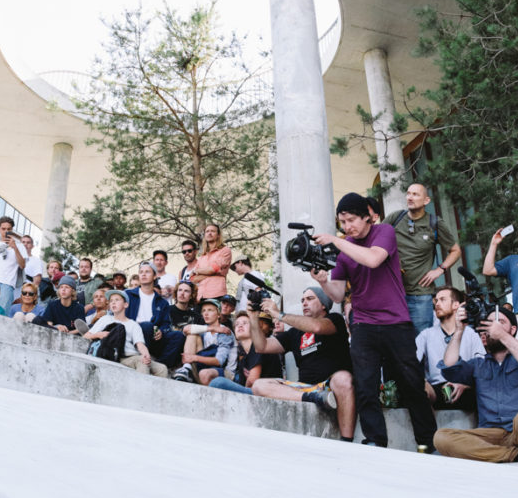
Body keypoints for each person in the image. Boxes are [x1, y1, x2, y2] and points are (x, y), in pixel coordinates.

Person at [314, 192, 437, 449]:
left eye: (351, 220)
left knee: (412, 384)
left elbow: (373, 259)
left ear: (367, 217)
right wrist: (323, 281)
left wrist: (337, 242)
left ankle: (428, 443)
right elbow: (337, 294)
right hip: (363, 325)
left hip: (396, 322)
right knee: (365, 386)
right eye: (342, 223)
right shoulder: (344, 248)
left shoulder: (384, 232)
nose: (347, 227)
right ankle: (375, 442)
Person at [432, 305, 518, 469]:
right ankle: (513, 455)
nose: (494, 327)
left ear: (513, 329)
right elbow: (449, 368)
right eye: (489, 323)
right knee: (442, 437)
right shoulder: (478, 365)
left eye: (500, 322)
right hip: (491, 435)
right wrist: (459, 331)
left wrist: (502, 335)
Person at [249, 286, 356, 441]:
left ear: (324, 305)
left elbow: (317, 326)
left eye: (310, 299)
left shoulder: (335, 319)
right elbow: (262, 346)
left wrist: (279, 314)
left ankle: (347, 441)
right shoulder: (294, 333)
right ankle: (313, 398)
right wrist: (253, 317)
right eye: (302, 300)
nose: (304, 303)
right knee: (259, 386)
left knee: (343, 378)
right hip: (307, 389)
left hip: (330, 385)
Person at [384, 183, 460, 334]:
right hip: (393, 293)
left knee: (421, 343)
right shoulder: (395, 218)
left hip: (420, 296)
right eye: (408, 194)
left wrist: (439, 270)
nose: (410, 197)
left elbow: (455, 250)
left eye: (415, 194)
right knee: (396, 344)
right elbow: (377, 242)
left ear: (426, 201)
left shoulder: (435, 223)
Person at [414, 287, 483, 411]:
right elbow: (411, 361)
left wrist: (466, 386)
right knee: (417, 386)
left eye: (442, 300)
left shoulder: (470, 334)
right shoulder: (426, 334)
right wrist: (422, 381)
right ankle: (430, 430)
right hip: (436, 388)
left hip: (464, 387)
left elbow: (482, 367)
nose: (437, 304)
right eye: (436, 301)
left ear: (456, 305)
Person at [85, 289, 168, 377]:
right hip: (119, 355)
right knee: (141, 361)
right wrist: (98, 334)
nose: (113, 303)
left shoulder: (133, 324)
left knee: (162, 368)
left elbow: (140, 344)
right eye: (111, 301)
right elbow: (86, 335)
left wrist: (146, 355)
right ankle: (141, 390)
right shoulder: (105, 319)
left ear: (126, 304)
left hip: (132, 355)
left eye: (117, 300)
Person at [126, 261, 183, 367]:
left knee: (178, 336)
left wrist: (161, 331)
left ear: (155, 276)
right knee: (147, 325)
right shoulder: (128, 295)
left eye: (147, 272)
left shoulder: (162, 302)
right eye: (141, 272)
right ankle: (143, 357)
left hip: (153, 337)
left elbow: (166, 324)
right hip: (133, 334)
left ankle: (161, 364)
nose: (143, 274)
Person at [172, 298, 235, 385]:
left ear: (219, 314)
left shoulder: (224, 332)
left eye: (210, 310)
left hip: (222, 372)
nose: (206, 313)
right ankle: (186, 368)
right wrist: (212, 328)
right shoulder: (205, 329)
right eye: (203, 310)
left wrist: (194, 358)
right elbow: (186, 329)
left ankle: (188, 368)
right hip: (202, 365)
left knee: (205, 373)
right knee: (192, 334)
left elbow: (219, 361)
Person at [187, 223, 231, 300]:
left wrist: (197, 271)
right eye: (207, 231)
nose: (209, 233)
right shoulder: (202, 257)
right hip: (200, 296)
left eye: (212, 231)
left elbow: (214, 269)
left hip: (216, 293)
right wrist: (214, 274)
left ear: (218, 235)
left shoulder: (225, 250)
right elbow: (192, 278)